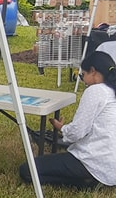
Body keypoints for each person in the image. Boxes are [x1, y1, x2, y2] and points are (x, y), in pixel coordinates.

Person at [19, 49, 116, 188]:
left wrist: (62, 128)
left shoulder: (96, 91)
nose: (83, 82)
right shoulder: (112, 91)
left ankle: (85, 183)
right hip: (112, 166)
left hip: (95, 162)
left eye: (82, 76)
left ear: (93, 71)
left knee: (27, 170)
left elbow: (77, 132)